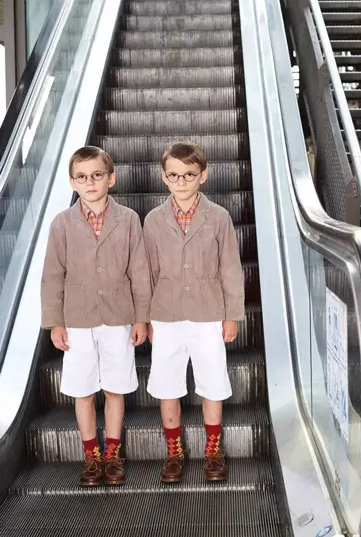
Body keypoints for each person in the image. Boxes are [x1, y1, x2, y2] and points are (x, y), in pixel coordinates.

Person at [41, 146, 151, 487]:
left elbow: (140, 271)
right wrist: (55, 322)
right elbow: (52, 275)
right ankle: (91, 454)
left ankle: (113, 453)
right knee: (83, 390)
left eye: (97, 175)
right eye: (82, 177)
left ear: (111, 178)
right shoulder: (62, 223)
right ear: (72, 183)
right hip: (77, 319)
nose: (90, 183)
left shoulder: (129, 219)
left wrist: (141, 318)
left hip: (118, 317)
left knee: (116, 387)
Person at [143, 142, 245, 483]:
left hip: (208, 313)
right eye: (174, 175)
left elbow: (230, 268)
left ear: (203, 175)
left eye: (189, 174)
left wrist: (232, 314)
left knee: (212, 382)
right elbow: (148, 272)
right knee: (167, 384)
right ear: (164, 178)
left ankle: (213, 450)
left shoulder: (219, 217)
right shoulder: (154, 220)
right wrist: (145, 317)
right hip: (166, 314)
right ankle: (174, 452)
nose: (181, 181)